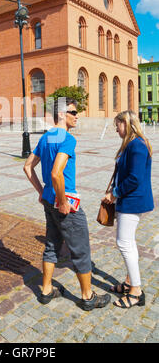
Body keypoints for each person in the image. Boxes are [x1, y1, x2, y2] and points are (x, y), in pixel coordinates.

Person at [24, 97, 111, 311]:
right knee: (81, 250)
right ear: (62, 114)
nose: (77, 116)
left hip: (48, 201)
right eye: (73, 112)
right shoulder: (67, 138)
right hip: (67, 204)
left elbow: (27, 167)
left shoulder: (45, 137)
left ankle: (46, 291)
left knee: (52, 245)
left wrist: (42, 192)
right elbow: (56, 173)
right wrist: (62, 201)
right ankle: (88, 297)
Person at [102, 110, 154, 309]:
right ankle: (130, 282)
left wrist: (114, 193)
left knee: (124, 243)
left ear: (128, 124)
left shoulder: (137, 146)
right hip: (129, 200)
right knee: (128, 242)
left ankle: (136, 292)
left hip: (133, 201)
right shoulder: (131, 145)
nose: (116, 128)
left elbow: (134, 178)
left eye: (118, 124)